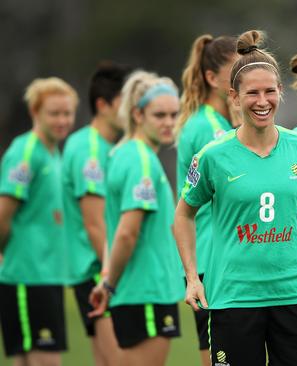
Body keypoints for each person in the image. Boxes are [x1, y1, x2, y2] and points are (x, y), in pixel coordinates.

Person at [174, 30, 297, 366]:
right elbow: (183, 215)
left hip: (295, 294)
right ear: (234, 96)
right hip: (234, 298)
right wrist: (192, 278)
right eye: (252, 93)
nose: (262, 101)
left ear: (281, 92)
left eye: (270, 91)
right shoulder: (213, 155)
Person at [88, 70, 184, 366]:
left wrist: (107, 281)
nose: (169, 123)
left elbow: (114, 225)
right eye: (159, 115)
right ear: (137, 114)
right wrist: (110, 284)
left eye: (173, 114)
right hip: (147, 292)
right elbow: (126, 232)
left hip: (138, 292)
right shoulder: (141, 160)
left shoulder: (122, 153)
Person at [0, 77, 77, 366]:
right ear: (35, 112)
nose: (62, 120)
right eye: (54, 113)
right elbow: (3, 214)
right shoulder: (26, 152)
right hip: (26, 276)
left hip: (48, 275)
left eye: (67, 113)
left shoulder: (52, 152)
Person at [175, 34, 239, 366]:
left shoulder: (222, 122)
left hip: (221, 256)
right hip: (210, 260)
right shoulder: (209, 130)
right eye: (236, 69)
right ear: (212, 78)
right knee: (219, 358)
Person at [62, 61, 131, 366]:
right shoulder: (89, 150)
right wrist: (110, 275)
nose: (132, 109)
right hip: (96, 271)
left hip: (95, 272)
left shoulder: (104, 146)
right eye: (125, 102)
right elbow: (95, 224)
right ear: (103, 105)